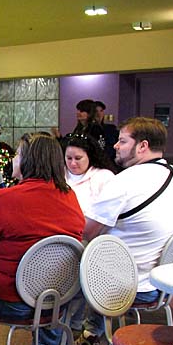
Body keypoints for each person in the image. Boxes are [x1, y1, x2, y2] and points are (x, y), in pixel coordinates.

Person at [0, 132, 84, 345]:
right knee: (52, 269)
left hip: (9, 303)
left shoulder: (4, 198)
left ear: (28, 161)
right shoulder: (70, 196)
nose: (13, 159)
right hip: (55, 301)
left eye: (18, 154)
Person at [76, 117, 173, 345]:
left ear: (142, 146)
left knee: (70, 258)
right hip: (162, 285)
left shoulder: (125, 181)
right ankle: (92, 330)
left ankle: (74, 336)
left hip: (126, 287)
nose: (115, 146)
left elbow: (86, 231)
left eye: (122, 141)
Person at [60, 133, 115, 334]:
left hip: (93, 239)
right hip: (66, 236)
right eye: (69, 159)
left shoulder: (103, 177)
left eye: (78, 158)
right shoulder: (59, 176)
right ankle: (65, 323)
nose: (73, 163)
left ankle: (82, 325)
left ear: (89, 156)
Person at [94, 100, 119, 165]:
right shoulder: (88, 130)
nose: (99, 114)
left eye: (101, 111)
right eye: (96, 111)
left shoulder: (111, 129)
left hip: (111, 162)